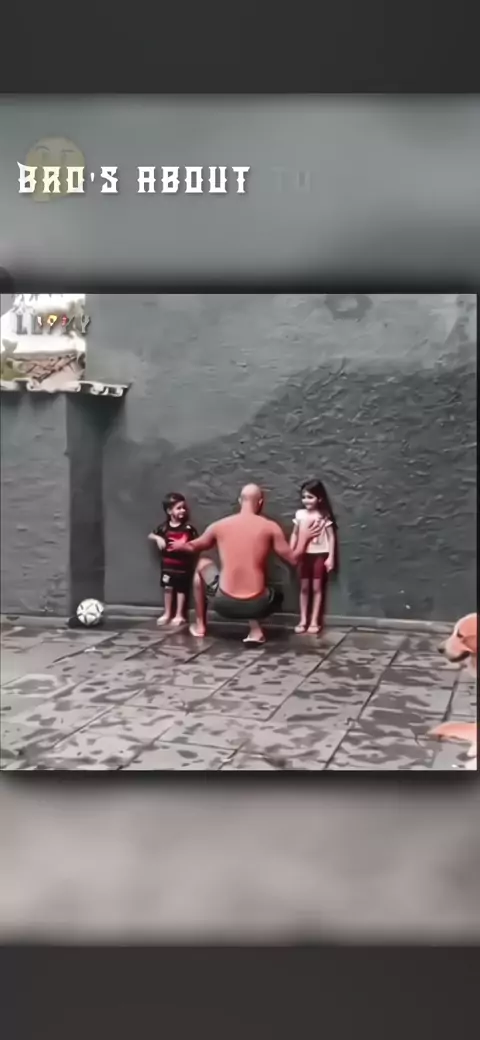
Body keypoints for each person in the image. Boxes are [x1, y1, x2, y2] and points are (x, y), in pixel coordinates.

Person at [168, 483, 323, 644]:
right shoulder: (270, 527)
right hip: (258, 605)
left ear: (240, 501)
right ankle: (256, 630)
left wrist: (180, 545)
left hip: (223, 603)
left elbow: (193, 546)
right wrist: (304, 538)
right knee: (262, 579)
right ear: (261, 502)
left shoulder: (220, 525)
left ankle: (200, 626)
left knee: (203, 563)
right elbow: (294, 559)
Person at [289, 479, 337, 634]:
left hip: (319, 555)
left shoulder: (323, 515)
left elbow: (331, 536)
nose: (306, 501)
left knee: (317, 587)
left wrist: (331, 557)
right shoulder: (300, 514)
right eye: (304, 497)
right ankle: (303, 619)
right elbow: (294, 533)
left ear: (319, 498)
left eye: (310, 497)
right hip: (303, 555)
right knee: (304, 587)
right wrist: (291, 550)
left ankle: (314, 620)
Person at [148, 492, 198, 627]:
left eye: (183, 508)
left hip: (182, 567)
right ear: (169, 511)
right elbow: (151, 535)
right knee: (168, 589)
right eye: (178, 508)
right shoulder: (164, 527)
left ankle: (179, 615)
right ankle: (167, 613)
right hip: (167, 566)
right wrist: (158, 538)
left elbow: (196, 543)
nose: (182, 511)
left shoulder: (187, 528)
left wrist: (184, 545)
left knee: (181, 590)